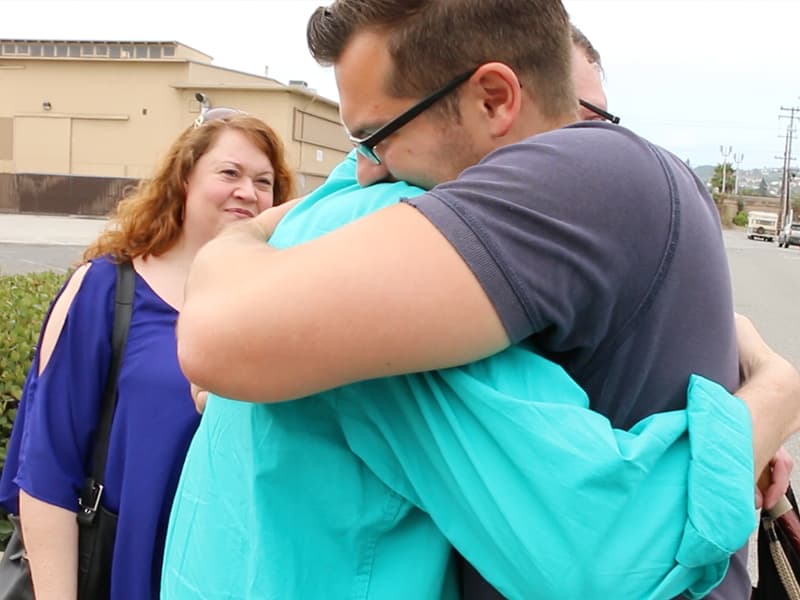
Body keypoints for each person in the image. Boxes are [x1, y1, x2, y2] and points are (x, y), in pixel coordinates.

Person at [174, 4, 798, 597]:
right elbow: (604, 551)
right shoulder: (372, 231)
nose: (365, 169)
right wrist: (774, 395)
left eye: (374, 138)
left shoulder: (343, 232)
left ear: (495, 99)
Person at [0, 110, 295, 599]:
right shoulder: (105, 290)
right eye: (230, 173)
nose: (249, 191)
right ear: (183, 178)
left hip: (231, 573)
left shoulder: (271, 305)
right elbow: (47, 468)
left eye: (264, 181)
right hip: (123, 567)